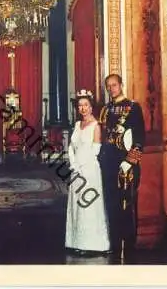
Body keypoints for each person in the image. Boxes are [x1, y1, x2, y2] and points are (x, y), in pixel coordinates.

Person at [98, 74, 145, 258]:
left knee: (128, 204)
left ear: (121, 85)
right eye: (108, 86)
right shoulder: (106, 109)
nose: (111, 89)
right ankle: (116, 244)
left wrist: (130, 161)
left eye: (114, 85)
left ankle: (130, 246)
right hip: (108, 162)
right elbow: (104, 137)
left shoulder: (133, 107)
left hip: (126, 164)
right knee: (111, 203)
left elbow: (140, 138)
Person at [65, 89, 110, 256]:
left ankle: (93, 244)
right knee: (77, 206)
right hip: (76, 170)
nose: (83, 108)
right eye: (80, 105)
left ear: (91, 107)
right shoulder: (77, 125)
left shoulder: (96, 126)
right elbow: (71, 147)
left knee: (89, 206)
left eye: (86, 105)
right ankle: (77, 241)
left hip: (89, 171)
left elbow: (95, 151)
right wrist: (74, 164)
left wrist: (81, 167)